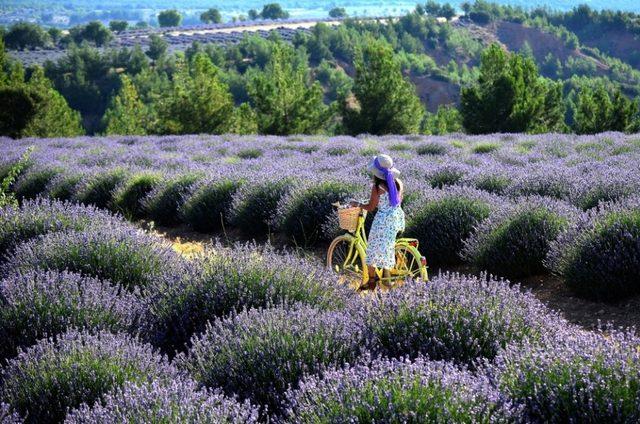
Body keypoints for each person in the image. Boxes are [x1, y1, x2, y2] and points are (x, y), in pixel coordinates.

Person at [350, 154, 405, 290]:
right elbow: (394, 202)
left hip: (383, 221)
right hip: (396, 219)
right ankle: (386, 277)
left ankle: (372, 280)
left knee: (372, 251)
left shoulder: (377, 187)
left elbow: (371, 207)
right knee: (387, 245)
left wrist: (358, 204)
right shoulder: (398, 184)